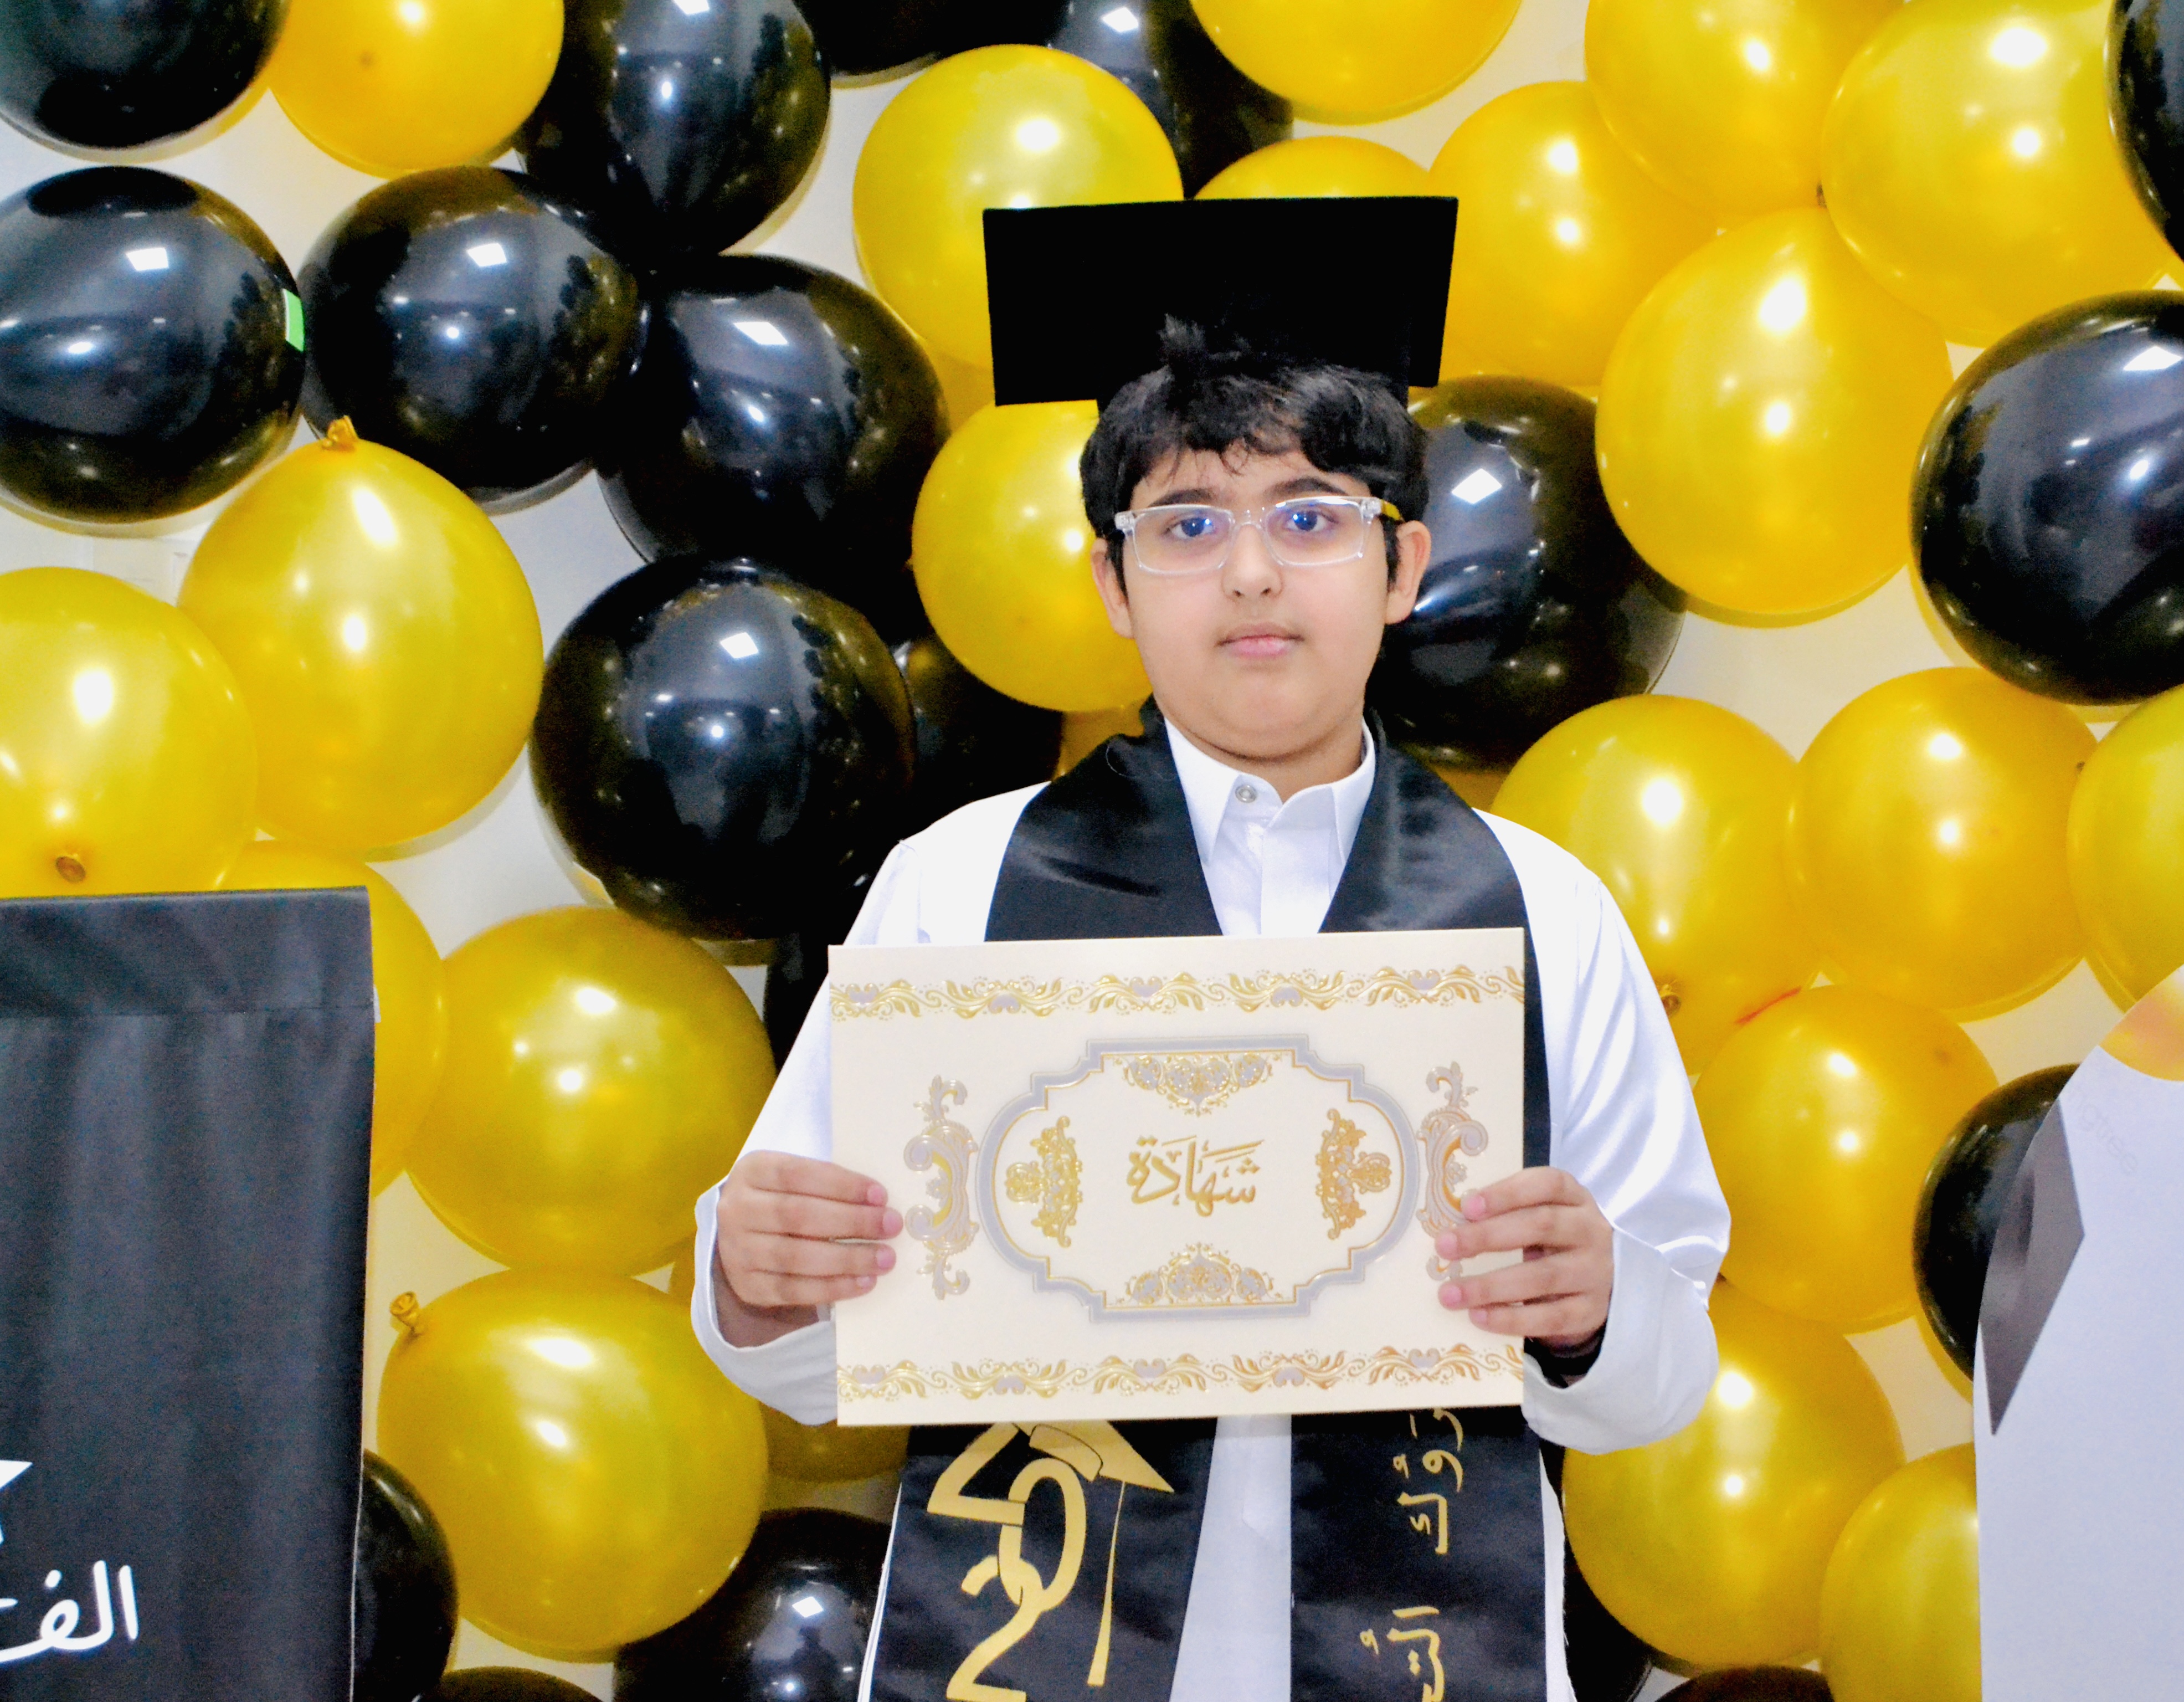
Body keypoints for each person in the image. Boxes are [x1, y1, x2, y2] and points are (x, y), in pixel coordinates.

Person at [690, 196, 1729, 1702]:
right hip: (1030, 1652)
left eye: (1310, 517)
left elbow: (1661, 1379)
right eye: (1186, 525)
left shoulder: (1543, 915)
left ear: (1403, 568)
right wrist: (759, 1282)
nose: (1250, 574)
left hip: (1434, 1649)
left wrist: (1599, 1303)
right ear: (1112, 586)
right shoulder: (959, 890)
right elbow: (820, 1355)